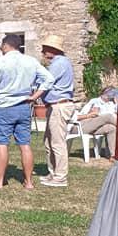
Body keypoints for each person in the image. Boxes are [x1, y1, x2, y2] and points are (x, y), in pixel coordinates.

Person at [0, 34, 54, 189]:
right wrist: (34, 96)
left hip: (5, 107)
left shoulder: (1, 62)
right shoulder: (31, 61)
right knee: (25, 144)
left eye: (1, 46)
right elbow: (49, 79)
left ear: (6, 45)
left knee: (2, 144)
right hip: (24, 106)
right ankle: (29, 182)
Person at [38, 35, 76, 188]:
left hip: (59, 106)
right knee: (48, 141)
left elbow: (47, 80)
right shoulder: (59, 62)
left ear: (53, 50)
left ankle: (60, 176)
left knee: (57, 142)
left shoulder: (59, 63)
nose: (42, 51)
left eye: (45, 49)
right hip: (54, 106)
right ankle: (53, 172)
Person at [74, 88, 118, 159]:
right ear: (103, 93)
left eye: (112, 93)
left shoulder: (111, 104)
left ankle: (112, 155)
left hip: (98, 127)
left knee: (112, 128)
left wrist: (117, 103)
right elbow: (82, 114)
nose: (109, 95)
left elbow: (117, 114)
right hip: (85, 125)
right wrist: (90, 113)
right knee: (108, 116)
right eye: (108, 93)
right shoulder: (94, 101)